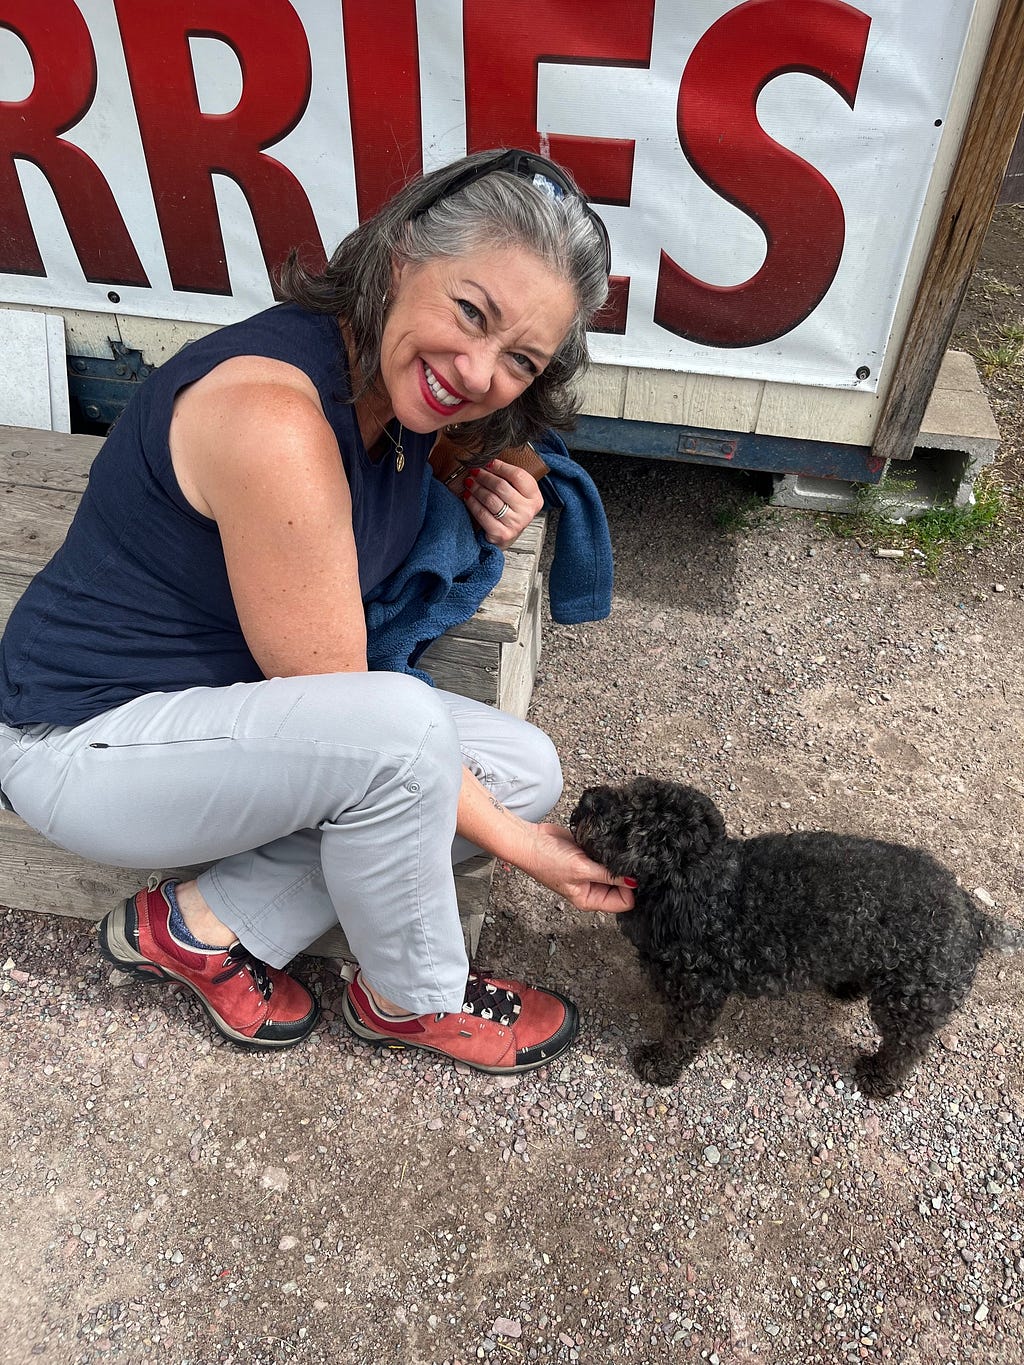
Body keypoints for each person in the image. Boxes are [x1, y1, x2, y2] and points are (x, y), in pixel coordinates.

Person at [0, 148, 635, 1075]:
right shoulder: (276, 416)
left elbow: (488, 442)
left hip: (219, 708)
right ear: (402, 252)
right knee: (411, 740)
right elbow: (371, 720)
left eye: (520, 359)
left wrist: (485, 474)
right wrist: (532, 854)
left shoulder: (389, 384)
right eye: (471, 312)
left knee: (521, 770)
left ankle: (200, 926)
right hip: (87, 739)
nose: (476, 369)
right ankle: (412, 997)